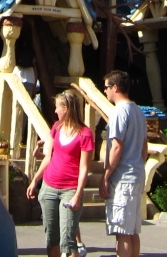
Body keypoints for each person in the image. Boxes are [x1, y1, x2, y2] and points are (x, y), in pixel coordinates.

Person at [27, 90, 95, 257]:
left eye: (57, 107)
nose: (55, 111)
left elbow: (84, 167)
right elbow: (48, 157)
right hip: (49, 186)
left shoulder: (85, 134)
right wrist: (35, 180)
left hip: (70, 189)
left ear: (66, 108)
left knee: (68, 242)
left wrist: (78, 195)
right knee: (52, 238)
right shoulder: (56, 127)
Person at [100, 70, 147, 257]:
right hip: (136, 173)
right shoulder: (138, 110)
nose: (105, 91)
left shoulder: (119, 111)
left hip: (122, 178)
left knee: (121, 231)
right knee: (133, 230)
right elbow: (144, 146)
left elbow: (117, 147)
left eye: (106, 87)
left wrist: (106, 175)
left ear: (115, 87)